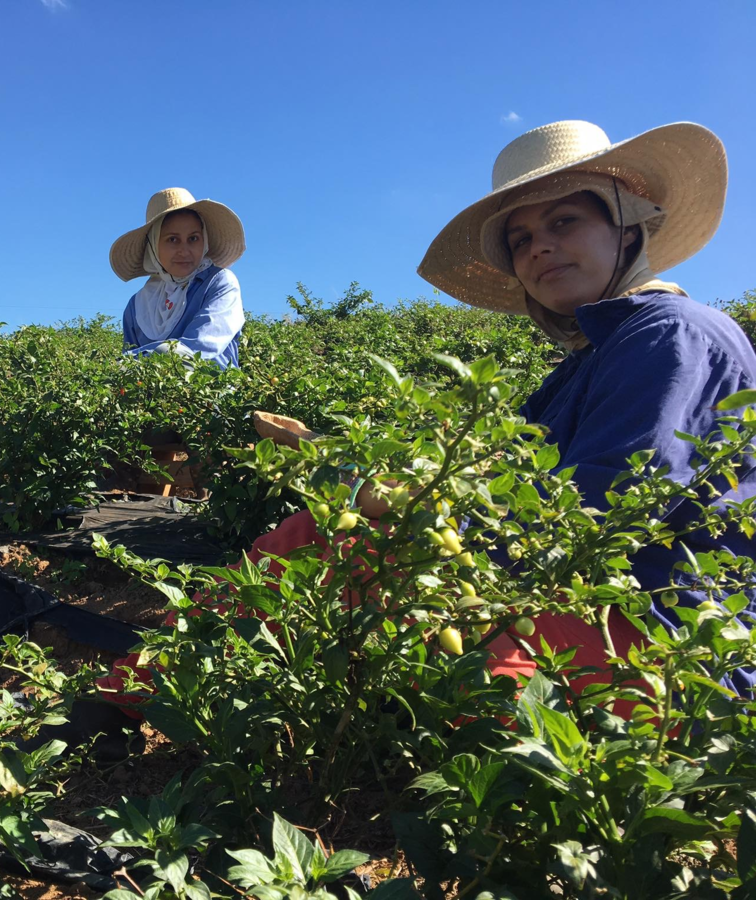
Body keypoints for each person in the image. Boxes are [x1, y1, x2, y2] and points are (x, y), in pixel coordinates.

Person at [96, 119, 756, 722]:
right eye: (523, 238)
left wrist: (405, 511)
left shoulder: (670, 335)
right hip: (578, 607)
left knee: (406, 630)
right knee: (314, 540)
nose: (540, 249)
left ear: (628, 224)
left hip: (656, 641)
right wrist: (345, 464)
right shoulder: (584, 365)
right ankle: (137, 690)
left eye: (564, 222)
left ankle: (142, 694)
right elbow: (492, 485)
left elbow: (595, 518)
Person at [112, 188, 246, 369]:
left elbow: (196, 351)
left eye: (193, 238)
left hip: (212, 395)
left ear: (204, 240)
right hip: (152, 398)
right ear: (153, 246)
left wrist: (129, 362)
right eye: (173, 240)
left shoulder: (219, 283)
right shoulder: (137, 306)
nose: (184, 251)